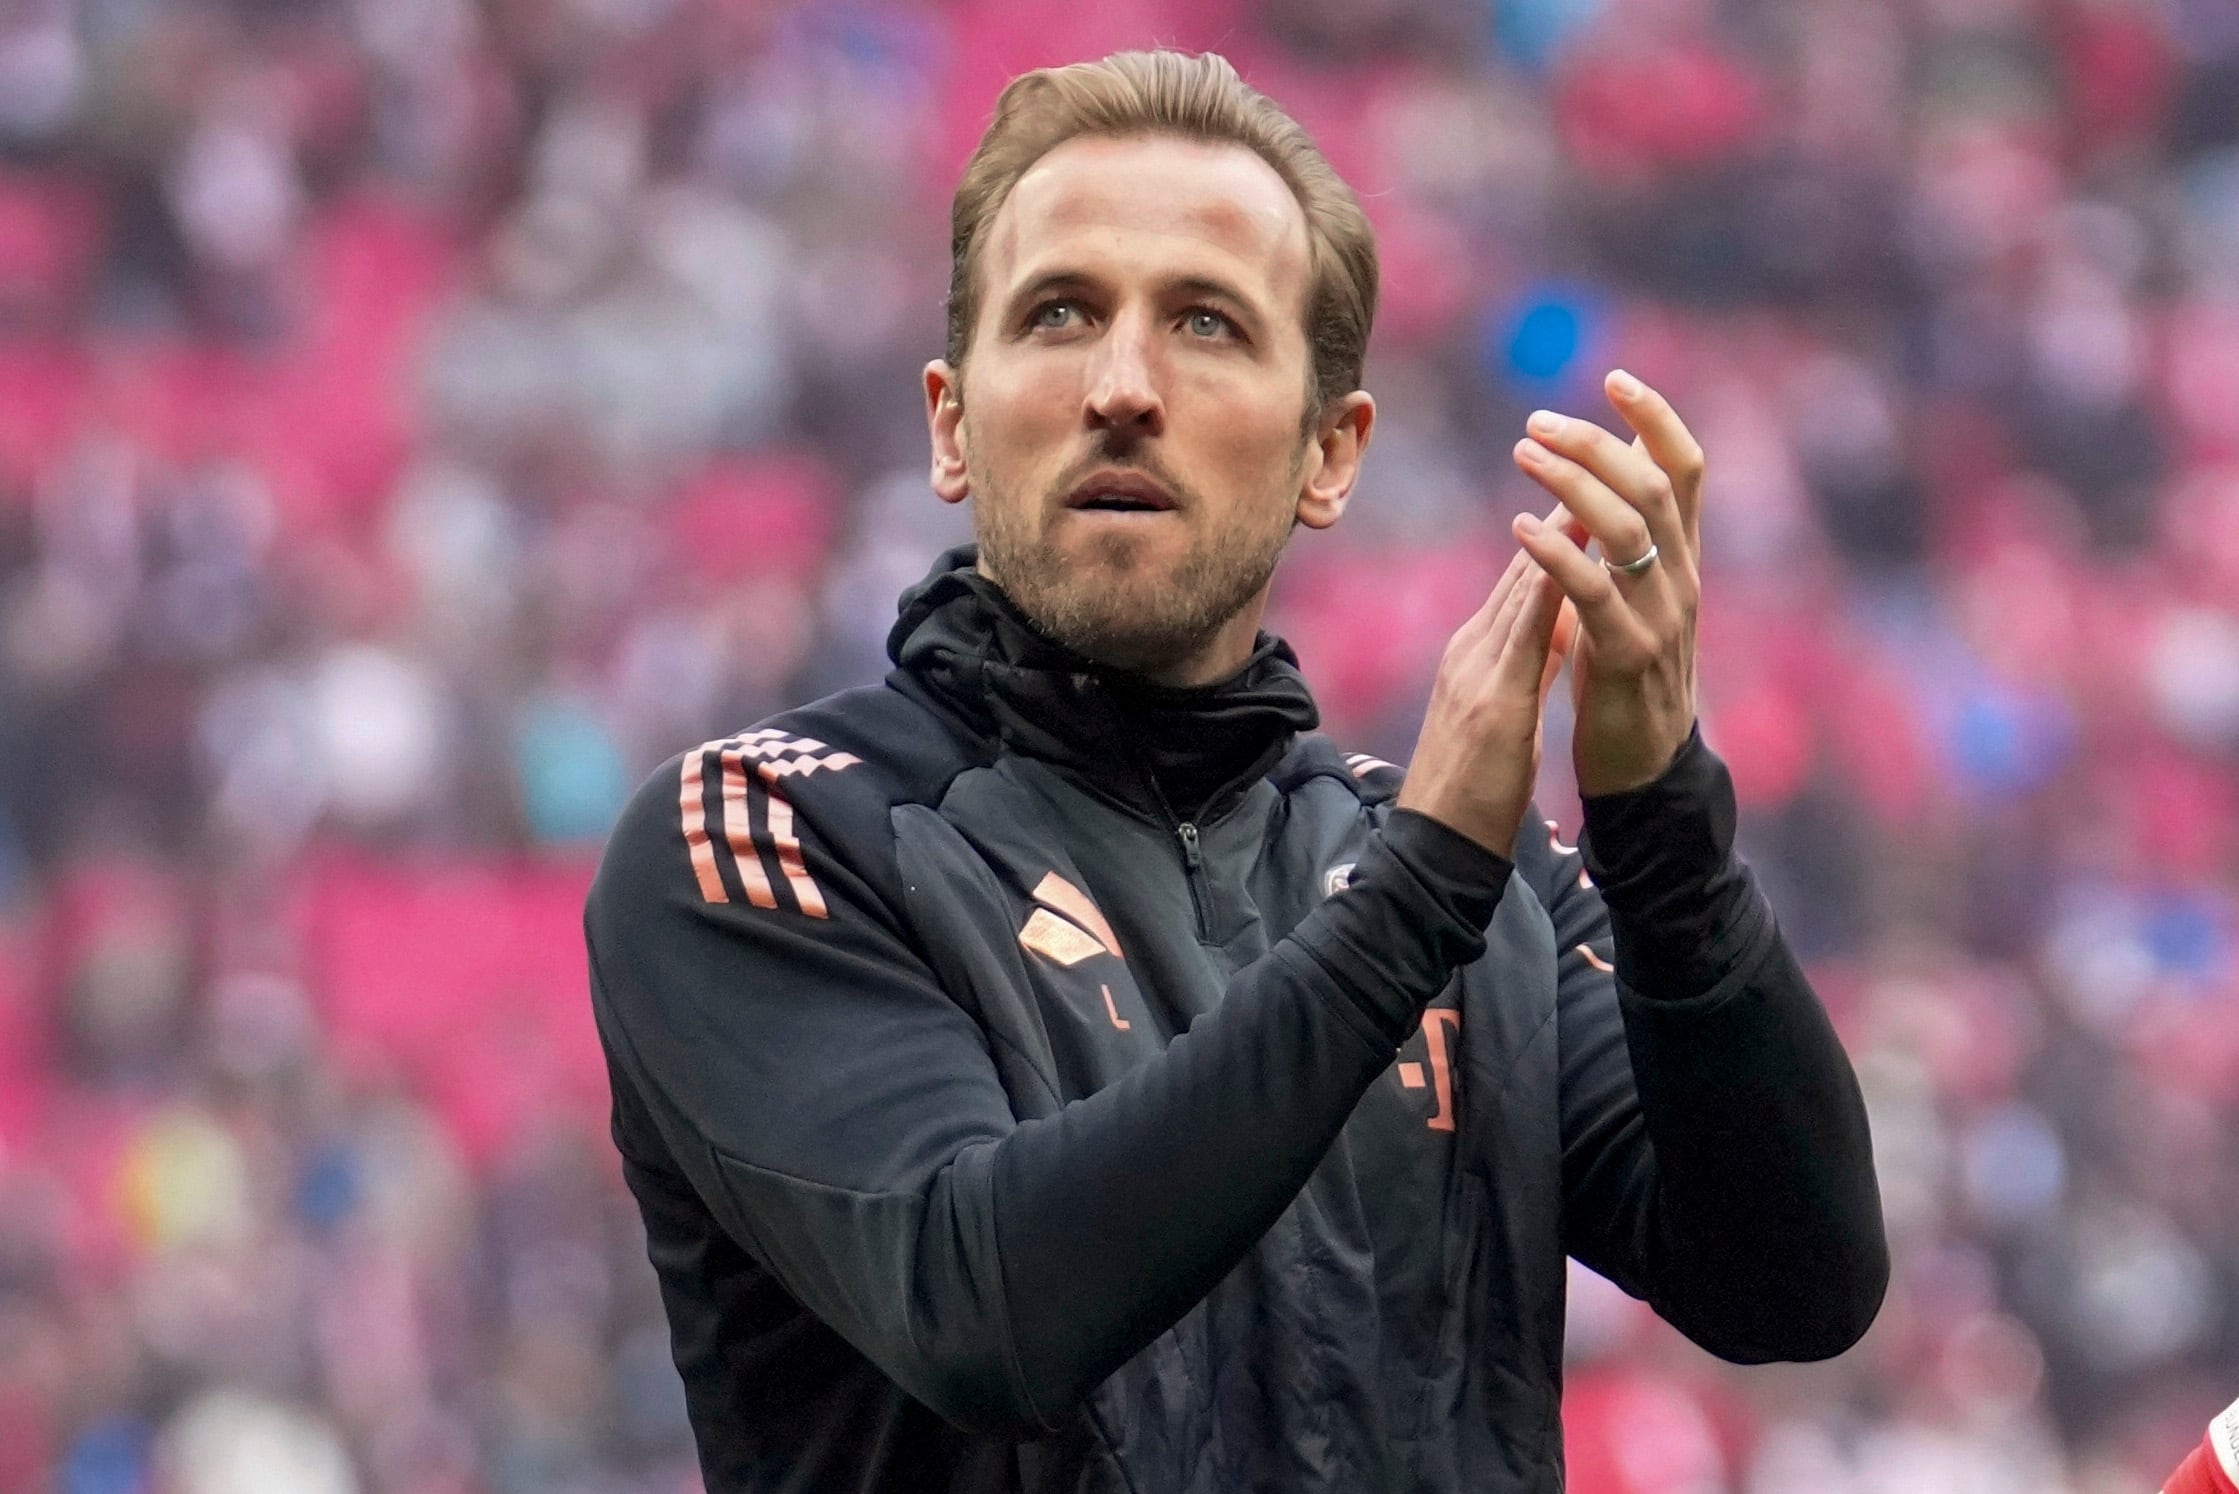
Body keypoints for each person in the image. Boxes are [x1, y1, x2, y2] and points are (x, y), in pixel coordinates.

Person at [585, 48, 1887, 1493]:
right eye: (1061, 313)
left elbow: (1797, 1282)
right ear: (953, 423)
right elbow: (986, 1309)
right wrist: (1417, 896)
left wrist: (1660, 824)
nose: (1125, 386)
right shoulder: (769, 827)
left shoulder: (1475, 879)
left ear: (1332, 453)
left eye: (1206, 323)